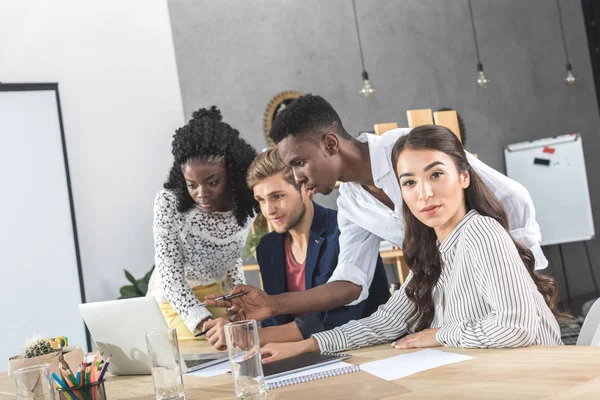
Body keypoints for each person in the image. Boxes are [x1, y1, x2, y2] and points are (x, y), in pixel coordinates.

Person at [205, 94, 547, 323]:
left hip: (506, 294)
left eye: (299, 162)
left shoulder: (408, 147)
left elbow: (513, 197)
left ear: (330, 143)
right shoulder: (351, 203)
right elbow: (351, 283)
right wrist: (272, 304)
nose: (297, 177)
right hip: (451, 307)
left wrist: (518, 271)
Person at [259, 125, 563, 362]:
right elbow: (385, 322)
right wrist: (305, 346)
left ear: (464, 178)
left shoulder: (480, 231)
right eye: (409, 182)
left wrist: (441, 335)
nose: (425, 193)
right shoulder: (433, 253)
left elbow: (517, 327)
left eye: (436, 175)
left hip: (536, 377)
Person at [202, 148, 390, 350]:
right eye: (261, 200)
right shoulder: (268, 248)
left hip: (368, 351)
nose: (268, 210)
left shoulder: (345, 232)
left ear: (306, 188)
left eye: (277, 196)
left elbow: (337, 320)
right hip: (301, 357)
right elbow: (274, 321)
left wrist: (248, 335)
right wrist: (239, 328)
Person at [146, 106, 258, 340]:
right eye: (192, 184)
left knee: (237, 351)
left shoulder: (246, 204)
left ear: (232, 173)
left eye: (212, 182)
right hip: (171, 303)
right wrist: (205, 323)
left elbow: (232, 259)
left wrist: (240, 310)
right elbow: (170, 277)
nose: (201, 193)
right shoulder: (169, 203)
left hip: (216, 297)